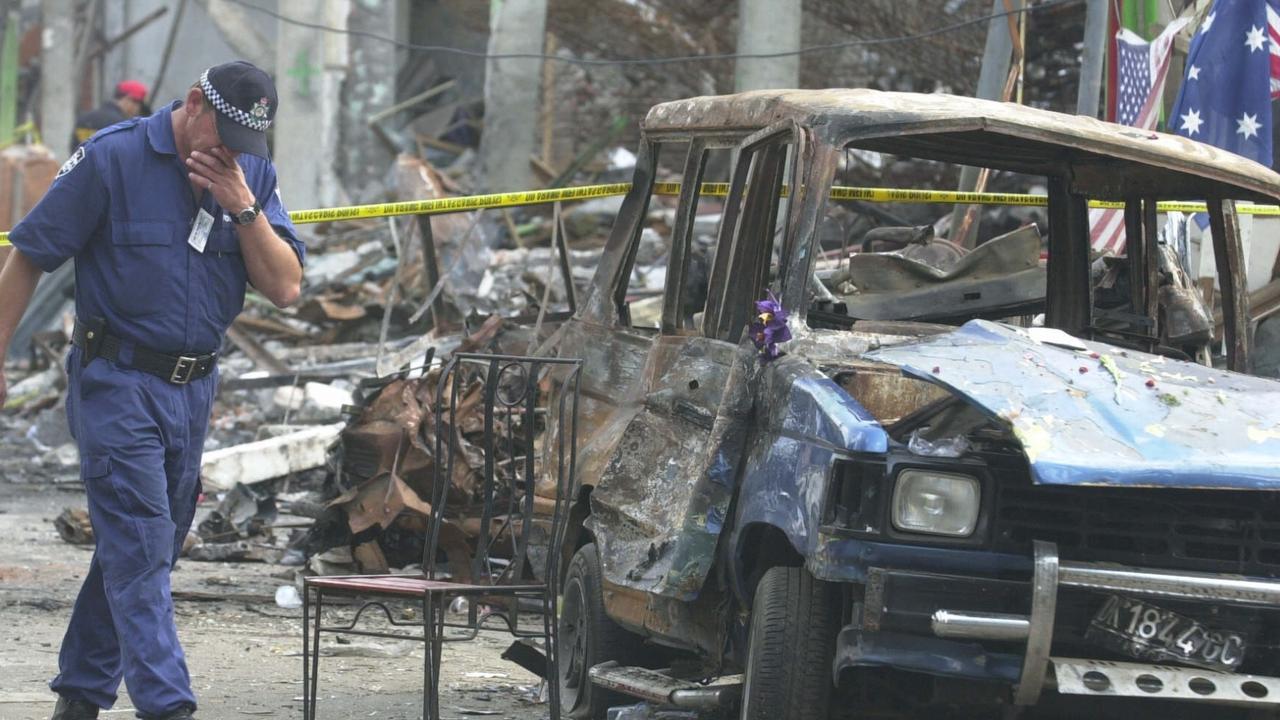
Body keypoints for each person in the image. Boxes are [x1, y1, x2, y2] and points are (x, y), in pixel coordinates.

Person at [0, 61, 304, 720]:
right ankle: (168, 706)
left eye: (241, 146)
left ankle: (79, 697)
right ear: (194, 103)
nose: (228, 154)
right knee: (139, 544)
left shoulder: (249, 177)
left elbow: (284, 286)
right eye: (219, 137)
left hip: (193, 390)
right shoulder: (113, 159)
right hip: (117, 381)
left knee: (149, 547)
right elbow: (28, 254)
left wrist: (242, 208)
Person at [70, 80, 151, 153]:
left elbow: (74, 151)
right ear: (128, 99)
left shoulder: (83, 118)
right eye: (139, 105)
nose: (138, 111)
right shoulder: (122, 125)